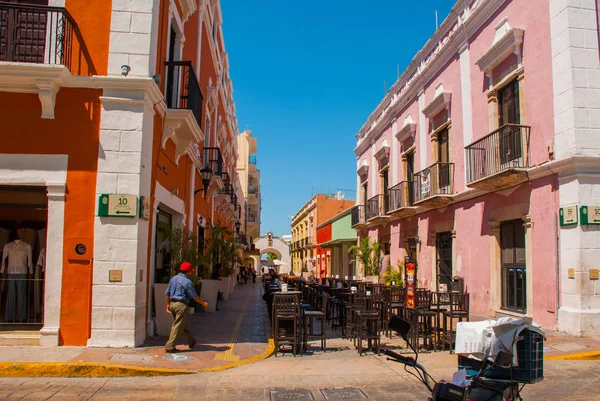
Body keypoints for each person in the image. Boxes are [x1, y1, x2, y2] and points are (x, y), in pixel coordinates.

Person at [164, 261, 208, 353]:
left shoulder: (173, 279)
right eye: (190, 272)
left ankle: (191, 340)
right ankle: (170, 346)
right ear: (187, 272)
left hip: (172, 304)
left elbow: (167, 293)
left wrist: (168, 304)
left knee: (181, 325)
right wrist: (203, 303)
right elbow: (194, 296)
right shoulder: (187, 282)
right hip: (181, 305)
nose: (190, 274)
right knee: (178, 326)